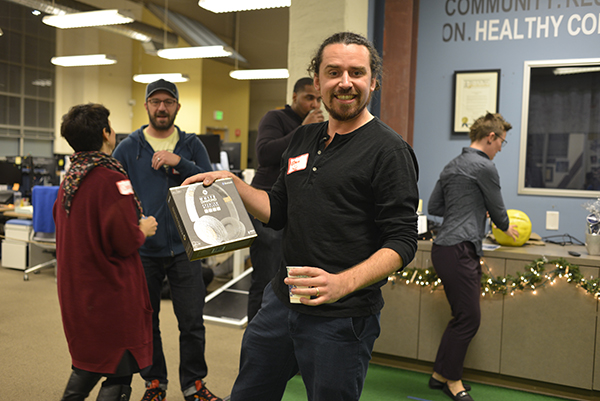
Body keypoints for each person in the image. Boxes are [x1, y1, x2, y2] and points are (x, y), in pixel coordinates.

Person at [182, 31, 419, 401]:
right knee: (248, 394)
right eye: (333, 72)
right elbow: (278, 209)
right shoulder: (302, 139)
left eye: (356, 73)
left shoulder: (389, 151)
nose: (345, 82)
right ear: (318, 81)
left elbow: (403, 241)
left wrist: (341, 283)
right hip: (281, 301)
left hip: (341, 316)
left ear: (373, 82)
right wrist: (234, 185)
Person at [112, 79, 221, 401]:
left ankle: (194, 385)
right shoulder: (128, 147)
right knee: (147, 322)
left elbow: (211, 183)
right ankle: (154, 383)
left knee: (192, 322)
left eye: (168, 102)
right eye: (156, 102)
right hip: (144, 250)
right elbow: (115, 194)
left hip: (186, 249)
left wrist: (179, 163)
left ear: (177, 106)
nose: (162, 108)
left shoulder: (191, 144)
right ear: (146, 105)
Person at [54, 103, 158, 401]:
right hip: (111, 292)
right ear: (105, 133)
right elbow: (124, 240)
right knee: (118, 368)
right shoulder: (112, 178)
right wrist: (143, 229)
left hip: (78, 291)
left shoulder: (70, 179)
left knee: (89, 364)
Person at [427, 112, 519, 401]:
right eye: (502, 141)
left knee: (461, 317)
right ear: (491, 137)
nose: (501, 148)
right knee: (469, 319)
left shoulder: (452, 165)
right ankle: (453, 381)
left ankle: (439, 375)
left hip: (443, 249)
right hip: (461, 248)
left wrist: (468, 208)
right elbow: (500, 213)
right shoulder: (484, 167)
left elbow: (434, 206)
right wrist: (505, 225)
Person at [247, 76, 324, 321]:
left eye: (318, 99)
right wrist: (303, 129)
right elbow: (265, 153)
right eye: (309, 98)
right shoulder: (276, 117)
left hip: (298, 212)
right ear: (294, 97)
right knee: (266, 278)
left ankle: (285, 333)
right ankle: (257, 333)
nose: (315, 104)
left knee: (292, 281)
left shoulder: (320, 128)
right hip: (268, 206)